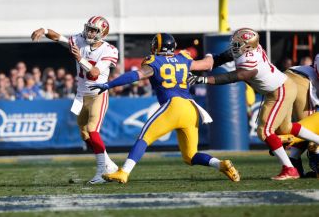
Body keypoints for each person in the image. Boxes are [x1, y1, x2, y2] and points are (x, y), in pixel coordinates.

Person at [90, 33, 240, 184]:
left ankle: (124, 172)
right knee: (190, 156)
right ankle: (221, 164)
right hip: (191, 108)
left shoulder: (154, 61)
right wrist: (229, 54)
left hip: (173, 105)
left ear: (156, 46)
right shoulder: (183, 58)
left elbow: (136, 75)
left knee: (144, 138)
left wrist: (109, 85)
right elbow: (208, 64)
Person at [188, 28, 319, 180]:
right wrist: (202, 63)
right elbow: (222, 58)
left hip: (280, 91)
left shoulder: (250, 61)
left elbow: (234, 76)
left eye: (239, 43)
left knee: (264, 131)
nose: (235, 45)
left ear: (248, 46)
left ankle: (289, 168)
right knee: (286, 128)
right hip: (280, 87)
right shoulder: (246, 49)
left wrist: (204, 79)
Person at [31, 16, 118, 184]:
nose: (90, 32)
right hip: (81, 95)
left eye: (94, 30)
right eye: (89, 28)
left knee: (93, 130)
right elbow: (59, 38)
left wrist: (79, 58)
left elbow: (94, 73)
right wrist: (44, 30)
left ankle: (102, 172)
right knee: (85, 134)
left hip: (98, 94)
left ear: (103, 33)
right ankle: (109, 165)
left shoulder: (110, 50)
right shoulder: (79, 39)